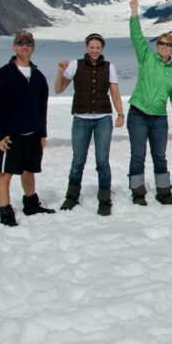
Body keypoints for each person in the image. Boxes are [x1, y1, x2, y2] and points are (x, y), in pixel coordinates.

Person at [54, 33, 125, 215]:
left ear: (102, 49)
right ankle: (71, 197)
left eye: (98, 48)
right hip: (80, 119)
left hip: (103, 119)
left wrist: (120, 113)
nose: (94, 51)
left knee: (102, 161)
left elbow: (115, 93)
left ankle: (104, 200)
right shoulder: (75, 65)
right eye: (91, 47)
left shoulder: (109, 67)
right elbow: (58, 89)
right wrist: (61, 71)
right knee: (78, 161)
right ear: (86, 47)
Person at [0, 29, 55, 226]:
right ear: (14, 47)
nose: (24, 47)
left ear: (33, 48)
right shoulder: (3, 75)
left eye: (28, 44)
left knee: (29, 170)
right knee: (6, 174)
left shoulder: (39, 76)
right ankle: (6, 213)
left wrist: (42, 133)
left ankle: (31, 204)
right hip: (11, 134)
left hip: (33, 133)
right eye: (20, 43)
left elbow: (41, 107)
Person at [127, 0, 172, 207]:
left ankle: (163, 191)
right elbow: (136, 36)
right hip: (138, 114)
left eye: (168, 44)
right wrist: (134, 12)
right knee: (138, 155)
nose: (164, 46)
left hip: (159, 118)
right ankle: (137, 192)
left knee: (160, 156)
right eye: (161, 43)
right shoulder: (146, 58)